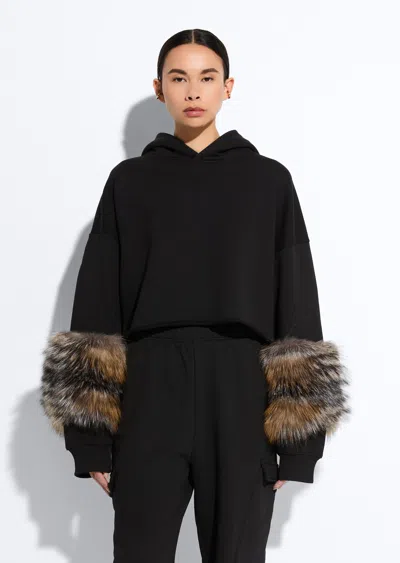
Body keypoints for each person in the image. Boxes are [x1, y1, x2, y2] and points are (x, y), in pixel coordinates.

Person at [40, 28, 350, 563]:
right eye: (178, 78)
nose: (193, 91)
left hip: (241, 390)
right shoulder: (129, 182)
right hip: (149, 388)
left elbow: (297, 299)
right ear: (159, 88)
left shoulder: (268, 181)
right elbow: (97, 303)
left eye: (207, 78)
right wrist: (89, 436)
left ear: (228, 87)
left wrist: (300, 441)